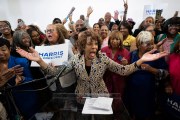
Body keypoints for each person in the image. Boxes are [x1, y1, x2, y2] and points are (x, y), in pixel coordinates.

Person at [16, 30, 168, 119]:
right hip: (80, 98)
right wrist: (40, 61)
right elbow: (55, 73)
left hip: (101, 98)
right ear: (83, 45)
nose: (94, 46)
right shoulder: (75, 59)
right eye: (90, 43)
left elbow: (124, 70)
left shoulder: (103, 58)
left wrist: (141, 60)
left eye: (96, 43)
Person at [124, 31, 168, 120]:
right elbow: (126, 72)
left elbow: (166, 74)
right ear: (139, 45)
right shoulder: (132, 55)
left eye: (152, 43)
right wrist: (125, 65)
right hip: (132, 94)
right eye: (147, 44)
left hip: (149, 95)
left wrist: (151, 69)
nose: (151, 46)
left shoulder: (156, 55)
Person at [0, 37, 38, 119]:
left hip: (25, 101)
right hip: (6, 103)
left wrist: (23, 79)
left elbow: (34, 81)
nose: (0, 53)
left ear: (9, 49)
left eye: (3, 50)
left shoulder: (21, 62)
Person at [101, 31, 130, 119]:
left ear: (120, 41)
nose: (114, 41)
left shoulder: (125, 52)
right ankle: (106, 115)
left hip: (119, 80)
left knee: (117, 100)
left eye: (117, 39)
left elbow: (128, 68)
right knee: (106, 99)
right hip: (106, 79)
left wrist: (125, 64)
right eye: (112, 39)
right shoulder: (103, 50)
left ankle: (116, 116)